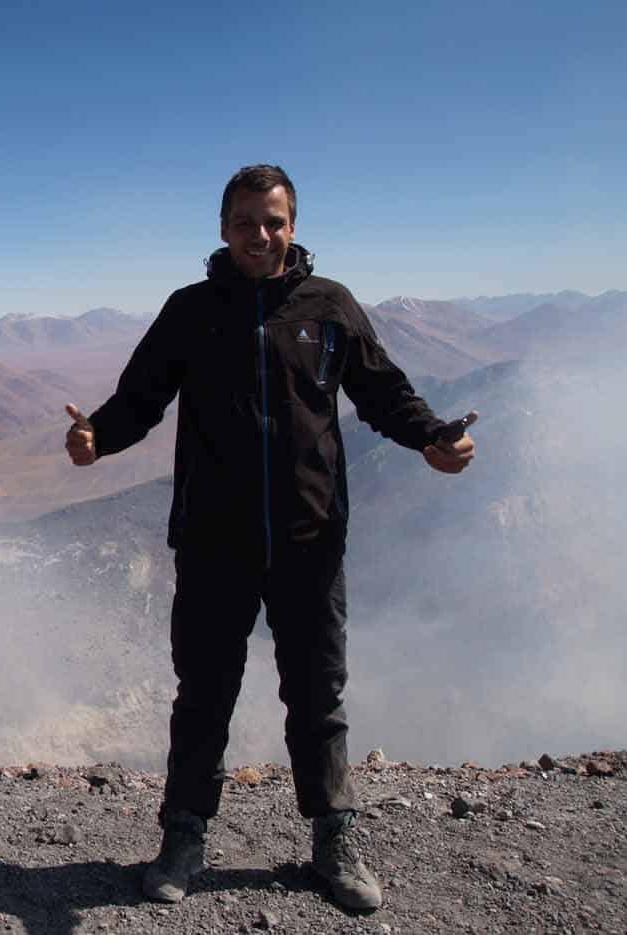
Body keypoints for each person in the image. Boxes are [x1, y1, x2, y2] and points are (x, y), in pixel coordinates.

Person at [64, 164, 475, 912]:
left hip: (308, 537)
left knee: (318, 694)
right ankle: (183, 836)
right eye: (246, 220)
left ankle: (334, 837)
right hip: (214, 541)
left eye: (274, 220)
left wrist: (432, 440)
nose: (261, 234)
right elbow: (140, 398)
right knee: (204, 694)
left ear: (293, 225)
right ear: (222, 228)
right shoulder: (191, 310)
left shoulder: (329, 307)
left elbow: (383, 392)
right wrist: (96, 434)